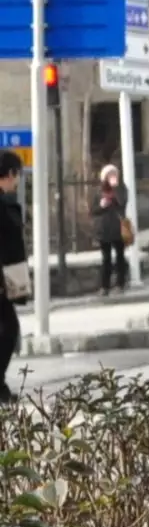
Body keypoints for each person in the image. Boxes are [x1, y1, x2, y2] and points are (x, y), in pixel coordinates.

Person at [0, 151, 28, 403]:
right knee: (9, 330)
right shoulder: (5, 206)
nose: (17, 181)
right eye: (16, 175)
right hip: (2, 280)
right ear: (9, 175)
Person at [91, 164, 130, 296]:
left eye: (114, 174)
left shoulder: (122, 188)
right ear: (104, 177)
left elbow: (123, 202)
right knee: (106, 258)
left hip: (118, 228)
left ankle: (120, 284)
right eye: (110, 175)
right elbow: (93, 210)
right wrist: (101, 205)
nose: (112, 177)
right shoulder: (98, 191)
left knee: (120, 257)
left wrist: (116, 187)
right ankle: (104, 286)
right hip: (104, 229)